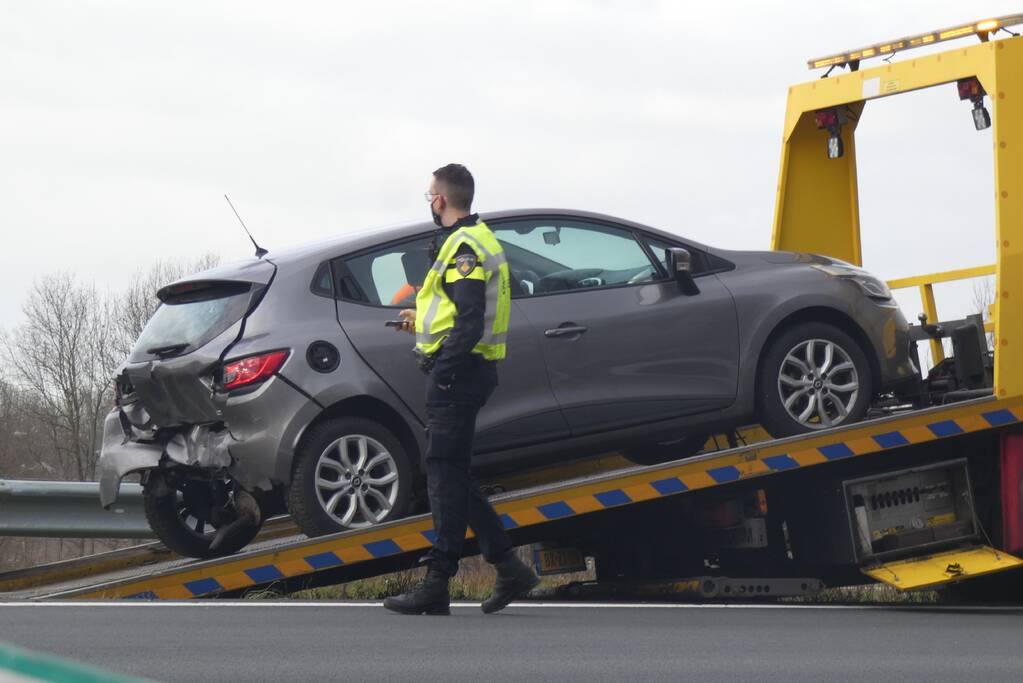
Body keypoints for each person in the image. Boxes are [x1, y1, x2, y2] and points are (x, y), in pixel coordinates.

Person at [383, 163, 539, 616]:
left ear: (441, 199)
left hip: (458, 373)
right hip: (467, 369)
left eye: (429, 194)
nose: (430, 201)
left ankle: (438, 582)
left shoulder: (465, 246)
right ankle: (509, 566)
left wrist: (445, 367)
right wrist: (420, 320)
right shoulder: (477, 238)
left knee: (441, 471)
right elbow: (459, 311)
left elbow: (469, 319)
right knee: (450, 472)